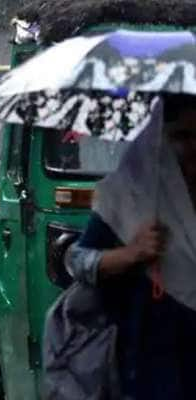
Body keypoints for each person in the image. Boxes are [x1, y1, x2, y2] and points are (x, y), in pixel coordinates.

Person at [64, 96, 196, 399]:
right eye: (182, 137)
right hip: (151, 361)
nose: (192, 149)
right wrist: (131, 254)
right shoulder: (131, 196)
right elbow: (78, 260)